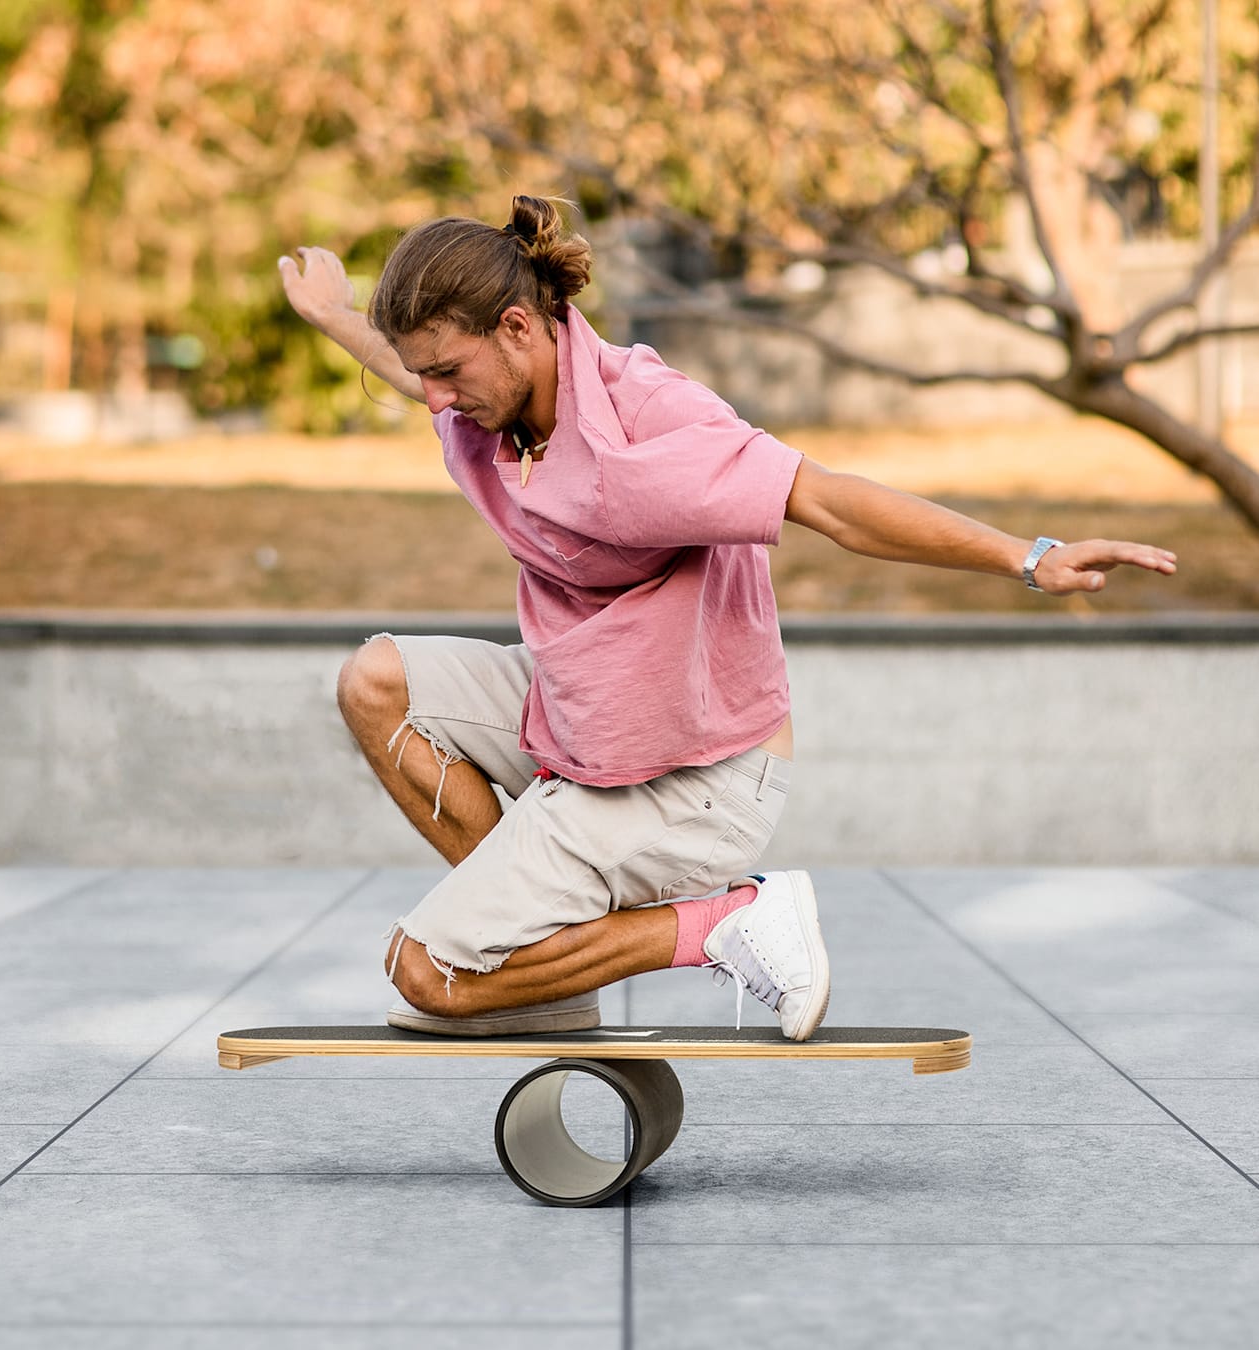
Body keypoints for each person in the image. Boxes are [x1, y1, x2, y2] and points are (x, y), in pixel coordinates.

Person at [279, 194, 1177, 1041]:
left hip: (697, 777)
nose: (434, 400)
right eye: (424, 372)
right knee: (376, 680)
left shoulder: (651, 429)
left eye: (447, 373)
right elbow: (409, 366)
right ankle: (542, 975)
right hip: (591, 714)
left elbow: (833, 504)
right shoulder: (498, 399)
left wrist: (1028, 556)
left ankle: (727, 920)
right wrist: (331, 312)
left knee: (425, 972)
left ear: (517, 328)